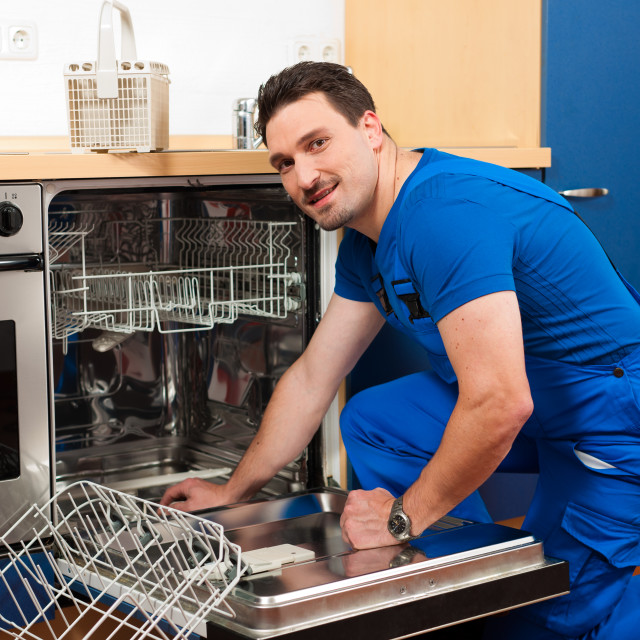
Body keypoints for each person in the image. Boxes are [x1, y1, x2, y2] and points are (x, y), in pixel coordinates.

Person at [160, 61, 640, 638]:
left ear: (369, 128)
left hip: (614, 419)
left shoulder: (442, 217)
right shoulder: (367, 241)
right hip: (540, 400)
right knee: (374, 420)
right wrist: (229, 495)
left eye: (317, 143)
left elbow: (498, 404)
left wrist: (401, 518)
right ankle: (463, 565)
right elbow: (314, 377)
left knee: (549, 613)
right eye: (284, 162)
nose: (303, 177)